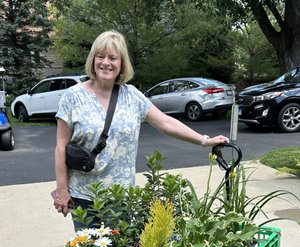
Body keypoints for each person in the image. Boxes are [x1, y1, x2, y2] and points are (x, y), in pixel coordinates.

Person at [54, 30, 229, 221]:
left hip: (121, 197)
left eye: (113, 58)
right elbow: (61, 147)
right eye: (100, 56)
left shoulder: (132, 96)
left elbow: (166, 122)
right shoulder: (72, 97)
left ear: (121, 64)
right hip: (84, 197)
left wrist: (206, 141)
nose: (106, 62)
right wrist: (62, 190)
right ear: (92, 60)